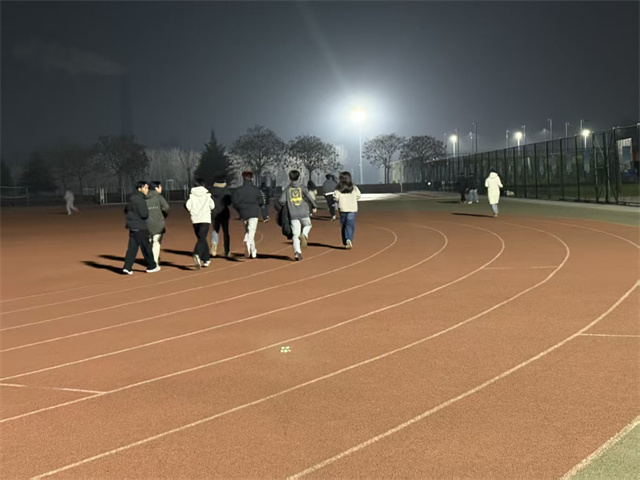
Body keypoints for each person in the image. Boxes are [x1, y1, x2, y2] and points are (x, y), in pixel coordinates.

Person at [122, 181, 160, 274]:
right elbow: (144, 214)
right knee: (146, 247)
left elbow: (126, 210)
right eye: (145, 188)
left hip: (132, 226)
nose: (147, 190)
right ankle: (151, 266)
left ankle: (127, 267)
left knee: (132, 248)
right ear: (140, 189)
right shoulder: (140, 199)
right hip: (140, 227)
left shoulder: (132, 198)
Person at [279, 170, 317, 261]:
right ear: (299, 177)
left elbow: (281, 201)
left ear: (290, 178)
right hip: (304, 212)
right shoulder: (302, 187)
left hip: (293, 214)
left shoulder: (287, 189)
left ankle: (297, 252)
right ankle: (304, 234)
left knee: (295, 235)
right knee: (308, 225)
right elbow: (309, 197)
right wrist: (314, 206)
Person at [231, 171, 263, 259]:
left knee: (248, 231)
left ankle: (253, 251)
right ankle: (247, 241)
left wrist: (239, 210)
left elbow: (234, 203)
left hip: (243, 213)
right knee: (251, 231)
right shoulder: (256, 190)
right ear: (251, 178)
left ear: (243, 178)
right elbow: (261, 201)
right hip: (254, 212)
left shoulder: (238, 190)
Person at [185, 178, 215, 269]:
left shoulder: (191, 196)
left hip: (195, 220)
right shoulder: (207, 195)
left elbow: (187, 206)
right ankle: (197, 253)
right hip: (205, 219)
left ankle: (206, 259)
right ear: (203, 185)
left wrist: (193, 211)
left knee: (201, 238)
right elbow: (212, 206)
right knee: (202, 238)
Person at [333, 171, 361, 249]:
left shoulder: (338, 188)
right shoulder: (354, 188)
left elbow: (335, 197)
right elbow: (358, 195)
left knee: (344, 225)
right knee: (350, 225)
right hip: (352, 208)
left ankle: (345, 241)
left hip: (343, 209)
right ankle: (349, 239)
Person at [145, 181, 170, 267]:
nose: (161, 188)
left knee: (149, 242)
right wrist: (163, 215)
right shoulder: (159, 197)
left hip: (146, 224)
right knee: (156, 242)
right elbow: (166, 207)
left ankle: (149, 260)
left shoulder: (144, 196)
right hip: (158, 224)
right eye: (160, 187)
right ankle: (154, 262)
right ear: (156, 188)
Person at [210, 176, 232, 257]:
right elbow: (229, 202)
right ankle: (227, 251)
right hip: (224, 213)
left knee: (215, 230)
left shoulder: (211, 191)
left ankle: (214, 242)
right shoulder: (226, 191)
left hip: (214, 213)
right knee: (226, 232)